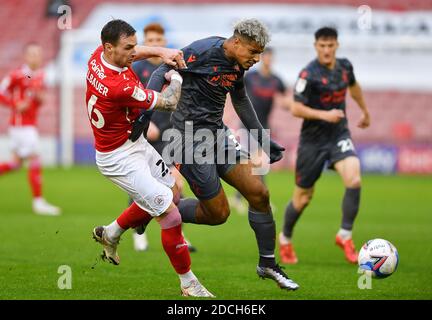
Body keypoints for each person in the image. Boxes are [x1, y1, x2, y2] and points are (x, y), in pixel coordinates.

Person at [131, 18, 299, 290]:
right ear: (236, 42)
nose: (257, 58)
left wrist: (263, 140)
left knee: (259, 193)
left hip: (218, 135)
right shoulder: (202, 52)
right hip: (187, 140)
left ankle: (267, 264)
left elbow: (241, 99)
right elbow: (160, 71)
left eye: (260, 53)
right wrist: (145, 112)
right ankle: (153, 209)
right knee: (219, 213)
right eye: (253, 52)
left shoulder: (238, 64)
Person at [88, 19, 213, 297]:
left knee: (174, 191)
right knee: (170, 215)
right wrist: (176, 76)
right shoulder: (117, 86)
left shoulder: (98, 56)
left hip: (135, 143)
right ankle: (189, 283)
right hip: (117, 157)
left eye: (134, 45)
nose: (134, 52)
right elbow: (168, 102)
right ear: (109, 48)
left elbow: (134, 50)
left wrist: (161, 52)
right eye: (128, 48)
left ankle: (110, 233)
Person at [278, 27, 370, 265]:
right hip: (312, 141)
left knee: (355, 179)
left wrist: (364, 111)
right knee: (302, 198)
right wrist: (324, 115)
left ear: (337, 45)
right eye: (322, 46)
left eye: (331, 45)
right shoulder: (308, 74)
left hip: (339, 134)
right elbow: (296, 108)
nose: (327, 50)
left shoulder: (345, 67)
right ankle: (285, 238)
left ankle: (345, 235)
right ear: (316, 46)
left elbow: (354, 87)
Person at [130, 22, 196, 253]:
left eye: (159, 41)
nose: (156, 44)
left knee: (176, 184)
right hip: (145, 136)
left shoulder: (175, 68)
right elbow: (130, 103)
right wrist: (146, 127)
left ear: (165, 42)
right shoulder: (137, 70)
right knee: (142, 185)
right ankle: (138, 232)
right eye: (151, 41)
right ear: (146, 44)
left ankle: (179, 233)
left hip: (170, 135)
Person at [0, 43, 61, 216]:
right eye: (32, 54)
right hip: (21, 125)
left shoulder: (41, 76)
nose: (36, 57)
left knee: (16, 163)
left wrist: (40, 98)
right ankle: (38, 202)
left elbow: (39, 99)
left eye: (38, 54)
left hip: (29, 124)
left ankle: (39, 202)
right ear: (25, 56)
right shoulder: (17, 74)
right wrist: (14, 104)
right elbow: (1, 91)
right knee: (35, 158)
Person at [230, 47, 289, 213]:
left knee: (258, 164)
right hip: (248, 125)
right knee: (256, 163)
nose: (269, 60)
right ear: (263, 58)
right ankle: (261, 200)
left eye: (271, 57)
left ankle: (241, 198)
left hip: (264, 126)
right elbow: (238, 95)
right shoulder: (251, 76)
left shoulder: (277, 80)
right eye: (267, 57)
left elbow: (284, 100)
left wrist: (291, 106)